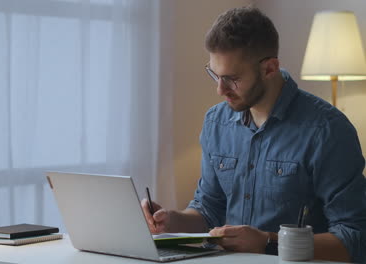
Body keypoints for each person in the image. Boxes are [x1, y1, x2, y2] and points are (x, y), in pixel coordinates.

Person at [141, 6, 366, 263]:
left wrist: (268, 242)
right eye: (215, 74)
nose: (220, 90)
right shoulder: (216, 122)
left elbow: (354, 237)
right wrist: (170, 220)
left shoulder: (326, 130)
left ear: (270, 69)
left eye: (232, 78)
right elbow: (208, 209)